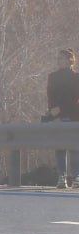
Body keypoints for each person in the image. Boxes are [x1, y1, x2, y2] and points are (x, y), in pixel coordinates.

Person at [46, 47, 79, 189]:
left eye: (61, 58)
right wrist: (53, 112)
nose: (58, 61)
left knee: (74, 147)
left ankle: (77, 176)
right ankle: (62, 177)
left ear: (69, 60)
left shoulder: (76, 77)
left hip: (73, 115)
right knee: (60, 147)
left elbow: (75, 98)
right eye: (57, 58)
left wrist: (61, 109)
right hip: (57, 116)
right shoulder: (53, 77)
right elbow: (50, 97)